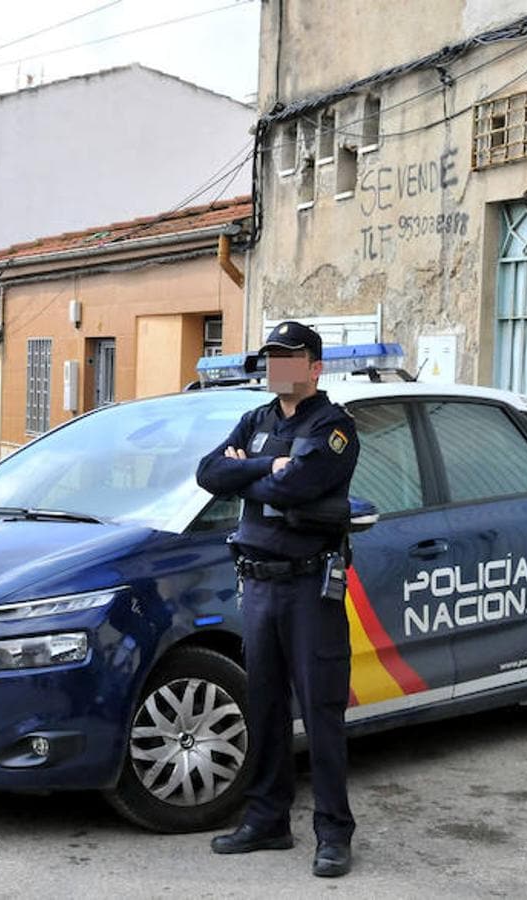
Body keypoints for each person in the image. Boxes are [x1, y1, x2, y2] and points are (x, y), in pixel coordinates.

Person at [195, 321, 360, 878]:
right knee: (264, 706)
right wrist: (266, 466)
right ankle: (267, 821)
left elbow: (297, 489)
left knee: (321, 711)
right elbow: (207, 473)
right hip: (260, 586)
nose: (278, 367)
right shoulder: (257, 420)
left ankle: (334, 832)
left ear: (314, 368)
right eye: (272, 358)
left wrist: (248, 477)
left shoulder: (334, 427)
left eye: (289, 358)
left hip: (309, 587)